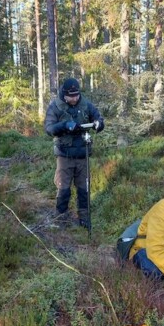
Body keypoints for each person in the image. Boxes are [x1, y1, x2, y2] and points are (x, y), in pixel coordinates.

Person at [44, 78, 105, 229]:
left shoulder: (86, 104)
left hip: (83, 154)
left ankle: (84, 218)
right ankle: (61, 217)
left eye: (77, 95)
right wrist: (64, 125)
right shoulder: (55, 106)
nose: (75, 98)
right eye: (71, 96)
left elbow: (98, 117)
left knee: (84, 188)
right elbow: (49, 128)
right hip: (64, 155)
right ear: (64, 94)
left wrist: (99, 124)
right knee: (63, 187)